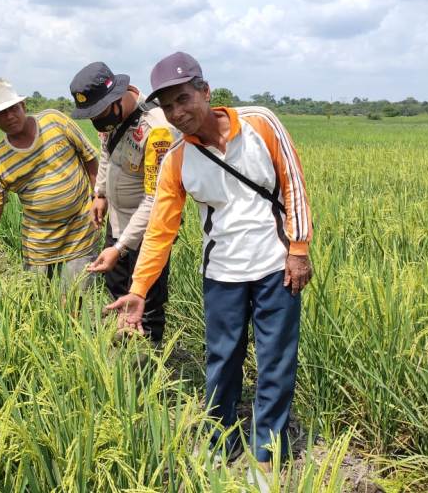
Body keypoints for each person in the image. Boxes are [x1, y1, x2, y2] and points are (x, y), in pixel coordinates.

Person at [105, 52, 313, 479]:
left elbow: (293, 182)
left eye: (184, 99)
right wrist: (139, 291)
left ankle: (266, 454)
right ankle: (221, 441)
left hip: (277, 266)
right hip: (222, 274)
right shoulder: (178, 159)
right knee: (222, 361)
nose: (178, 113)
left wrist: (299, 249)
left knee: (275, 361)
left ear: (205, 90)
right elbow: (160, 231)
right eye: (168, 105)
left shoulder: (261, 123)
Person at [68, 62, 178, 343]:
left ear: (116, 99)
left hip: (147, 232)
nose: (96, 121)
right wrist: (100, 194)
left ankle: (147, 364)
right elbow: (106, 153)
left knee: (147, 299)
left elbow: (156, 199)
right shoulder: (109, 120)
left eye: (99, 112)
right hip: (117, 222)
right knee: (117, 289)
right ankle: (123, 348)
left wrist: (120, 247)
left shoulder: (157, 130)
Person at [0, 78, 100, 288]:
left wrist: (98, 196)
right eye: (0, 113)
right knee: (40, 305)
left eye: (12, 108)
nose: (8, 116)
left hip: (81, 231)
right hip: (39, 245)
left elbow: (90, 158)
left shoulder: (55, 121)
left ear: (23, 106)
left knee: (75, 302)